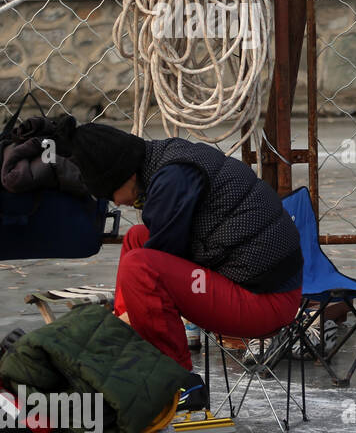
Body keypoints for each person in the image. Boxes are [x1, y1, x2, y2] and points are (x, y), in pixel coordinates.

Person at [67, 122, 303, 370]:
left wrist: (100, 337)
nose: (115, 202)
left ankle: (175, 378)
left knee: (141, 268)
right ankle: (128, 338)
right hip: (245, 279)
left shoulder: (171, 182)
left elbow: (152, 277)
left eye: (109, 195)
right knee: (137, 238)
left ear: (126, 176)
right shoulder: (163, 158)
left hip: (266, 301)